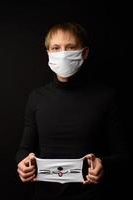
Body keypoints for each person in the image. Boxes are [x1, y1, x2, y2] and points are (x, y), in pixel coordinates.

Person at [16, 22, 128, 200]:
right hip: (44, 194)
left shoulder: (106, 97)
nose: (62, 54)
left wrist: (103, 164)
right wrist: (22, 163)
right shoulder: (36, 97)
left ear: (84, 52)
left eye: (70, 48)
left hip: (91, 194)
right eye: (56, 48)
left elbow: (123, 155)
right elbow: (24, 149)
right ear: (48, 54)